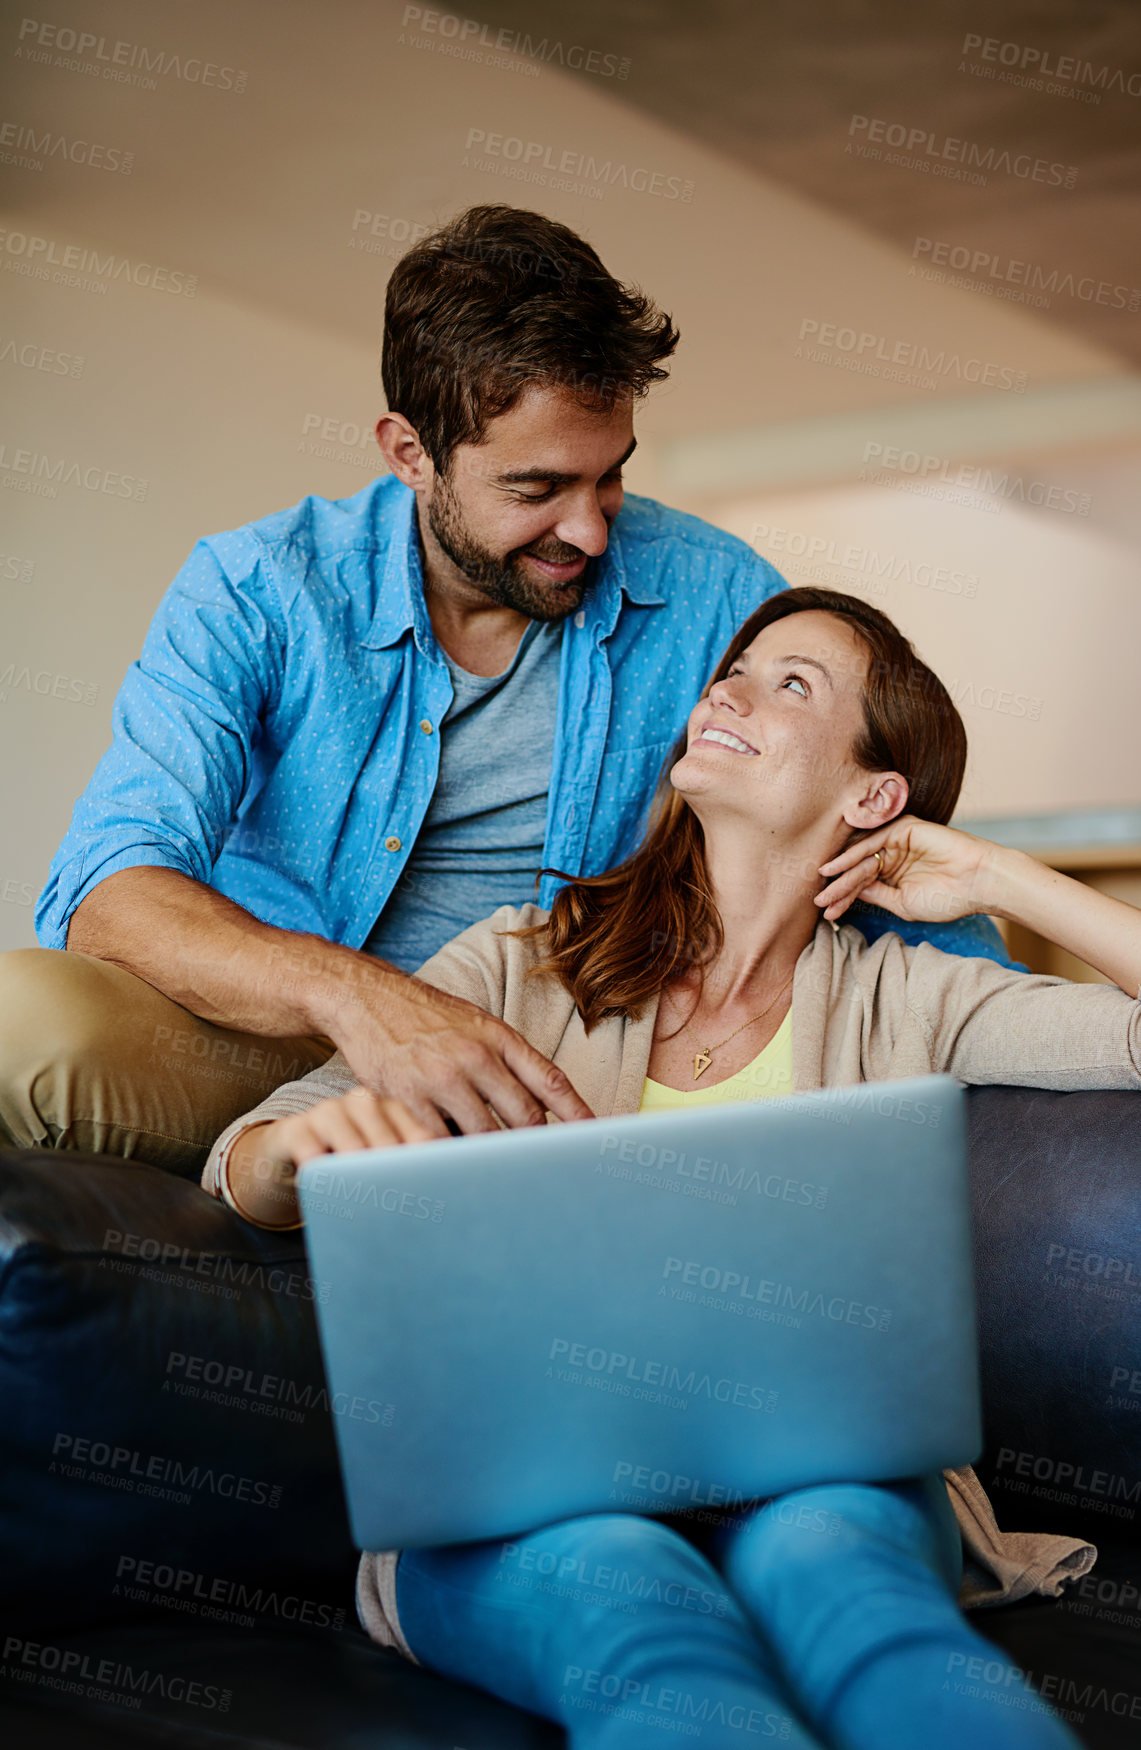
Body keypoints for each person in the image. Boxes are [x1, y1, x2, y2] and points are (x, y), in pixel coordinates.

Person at [200, 586, 1140, 1749]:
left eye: (790, 682)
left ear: (873, 795)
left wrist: (992, 877)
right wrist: (299, 1151)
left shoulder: (917, 996)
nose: (726, 688)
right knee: (645, 1633)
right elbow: (243, 1157)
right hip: (529, 1495)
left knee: (871, 1617)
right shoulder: (516, 964)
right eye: (734, 666)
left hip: (830, 1486)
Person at [0, 206, 1012, 1174]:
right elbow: (107, 890)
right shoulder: (258, 588)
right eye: (535, 491)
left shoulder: (714, 596)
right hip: (269, 1039)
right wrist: (366, 1004)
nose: (591, 532)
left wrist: (996, 1013)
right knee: (22, 1017)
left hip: (549, 1067)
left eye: (609, 476)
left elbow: (851, 818)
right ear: (410, 454)